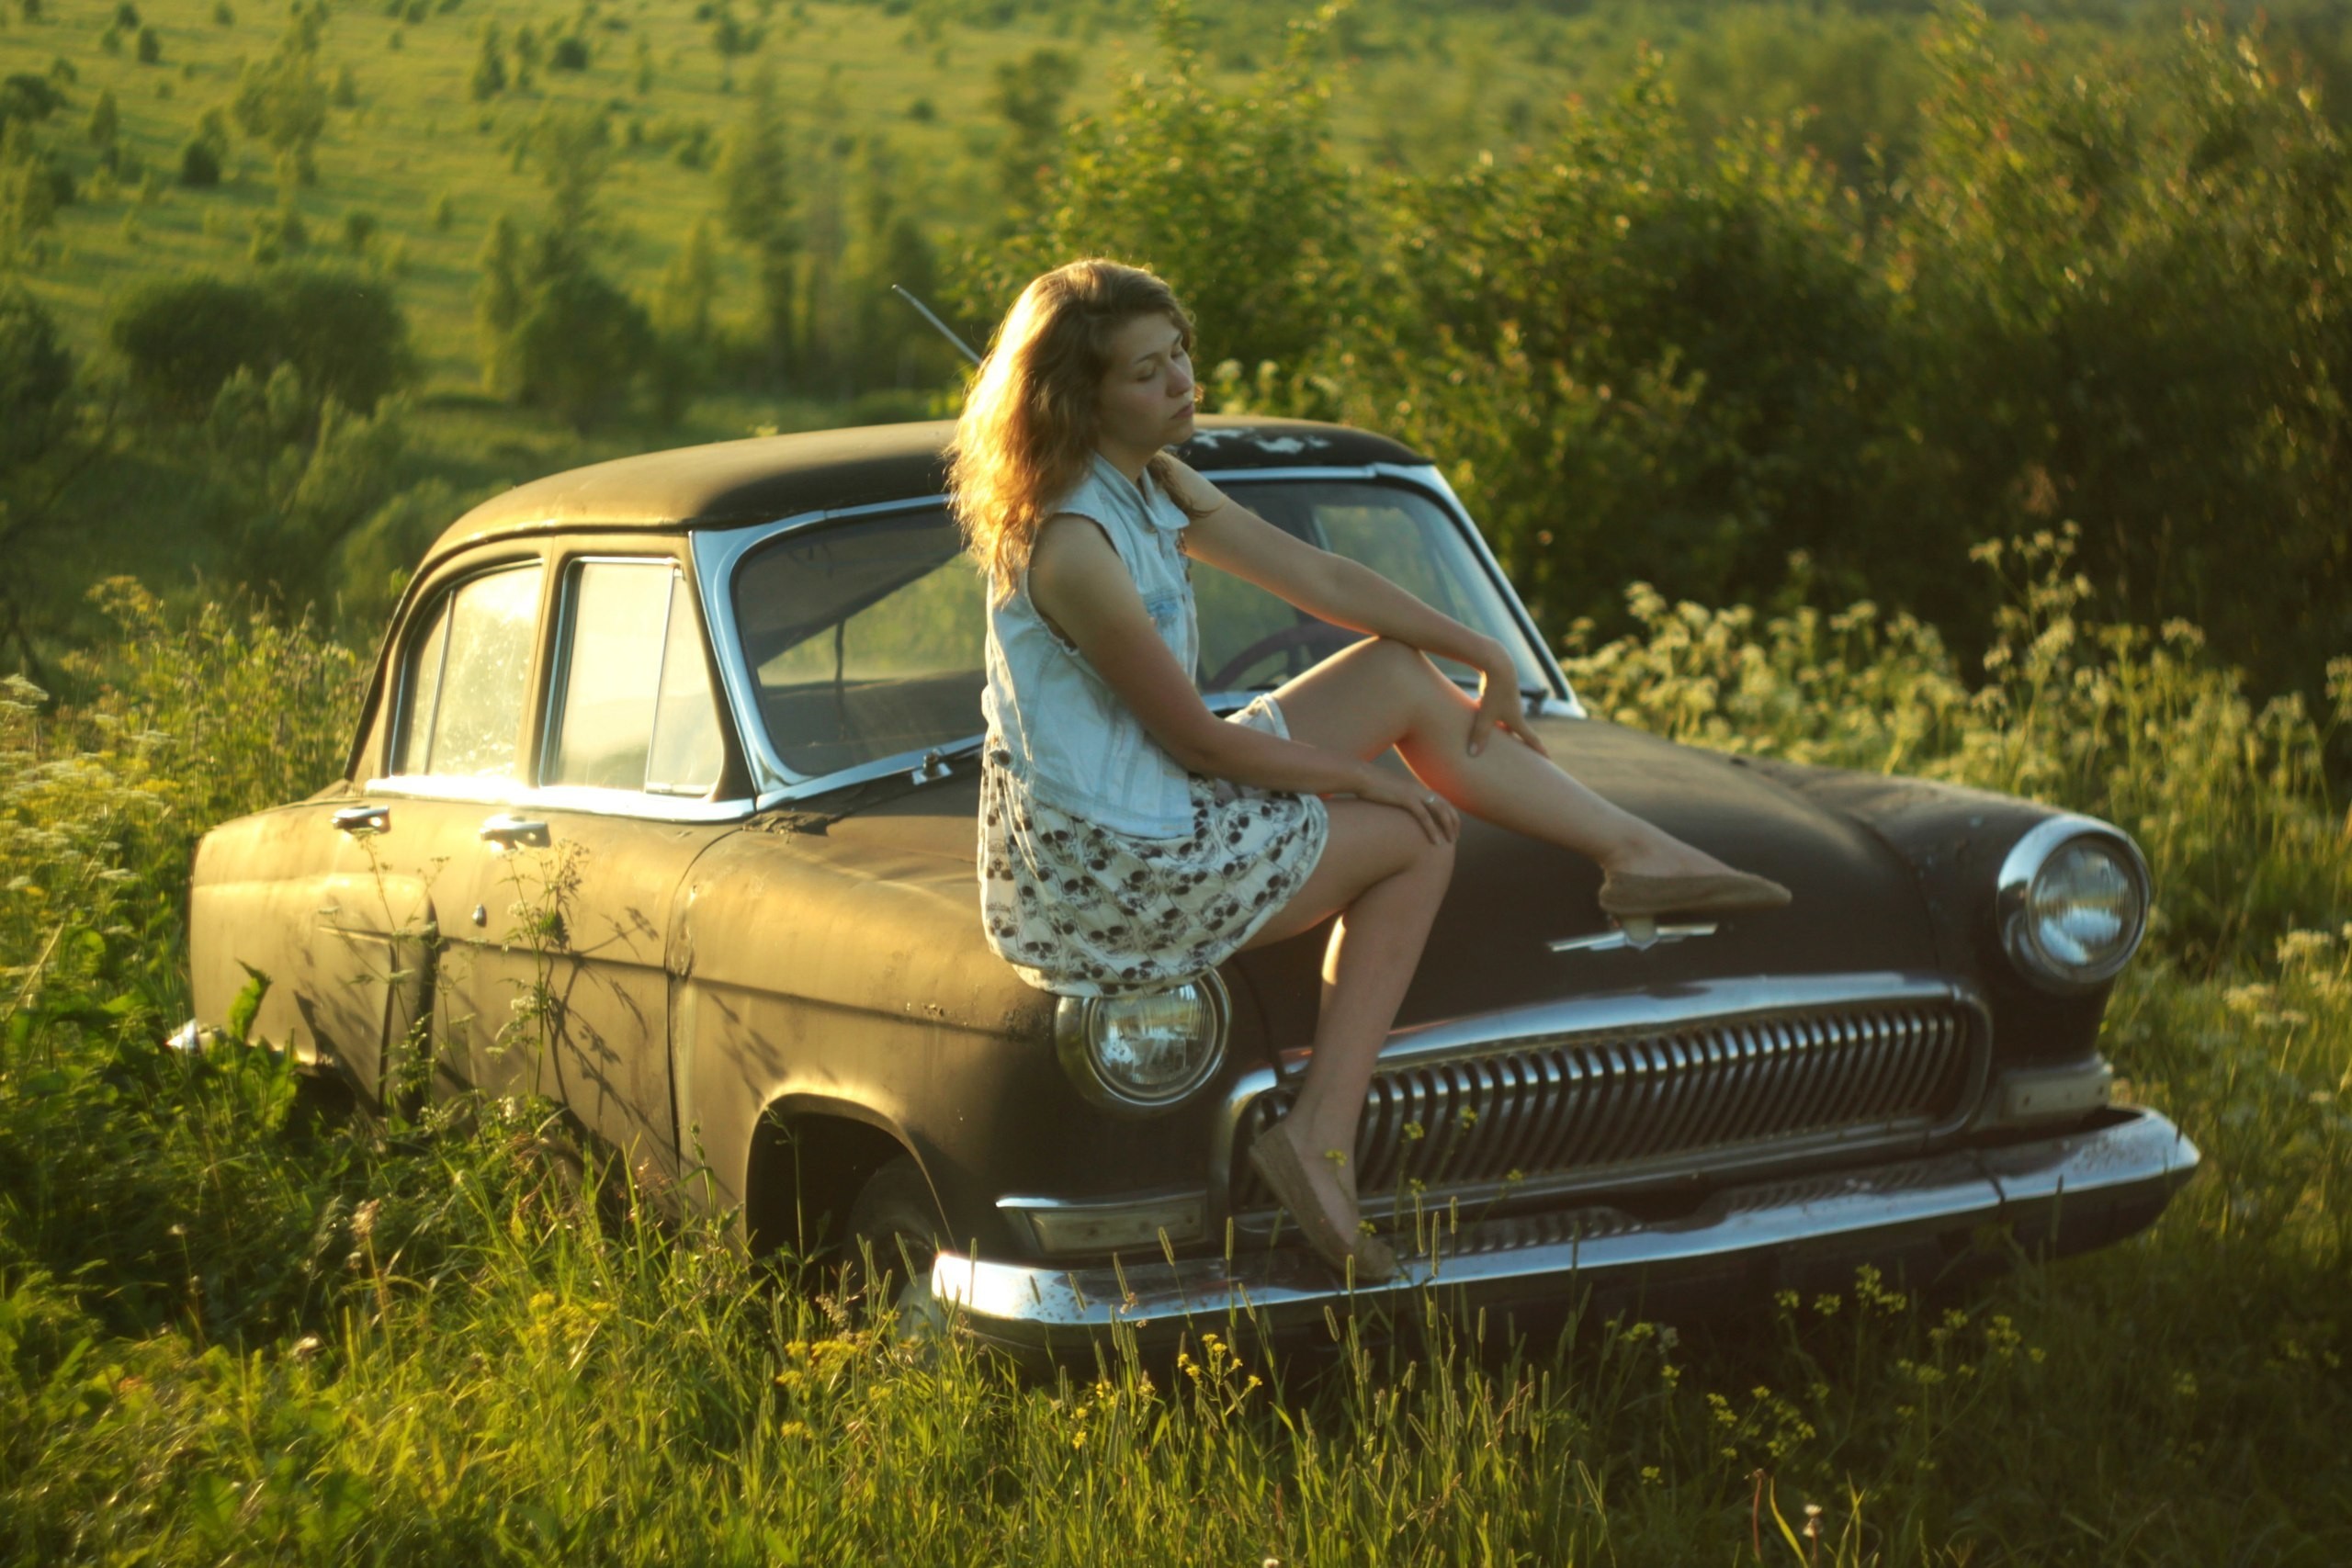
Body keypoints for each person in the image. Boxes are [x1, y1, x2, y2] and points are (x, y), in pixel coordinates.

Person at [948, 258, 1788, 1281]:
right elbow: (1198, 743)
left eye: (1181, 357)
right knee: (1415, 839)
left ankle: (1634, 850)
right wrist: (1370, 783)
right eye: (1148, 373)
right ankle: (1318, 1141)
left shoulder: (1152, 480)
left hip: (1159, 795)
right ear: (1078, 399)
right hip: (1114, 867)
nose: (1182, 385)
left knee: (1393, 672)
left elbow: (1318, 576)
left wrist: (1484, 653)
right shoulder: (1072, 543)